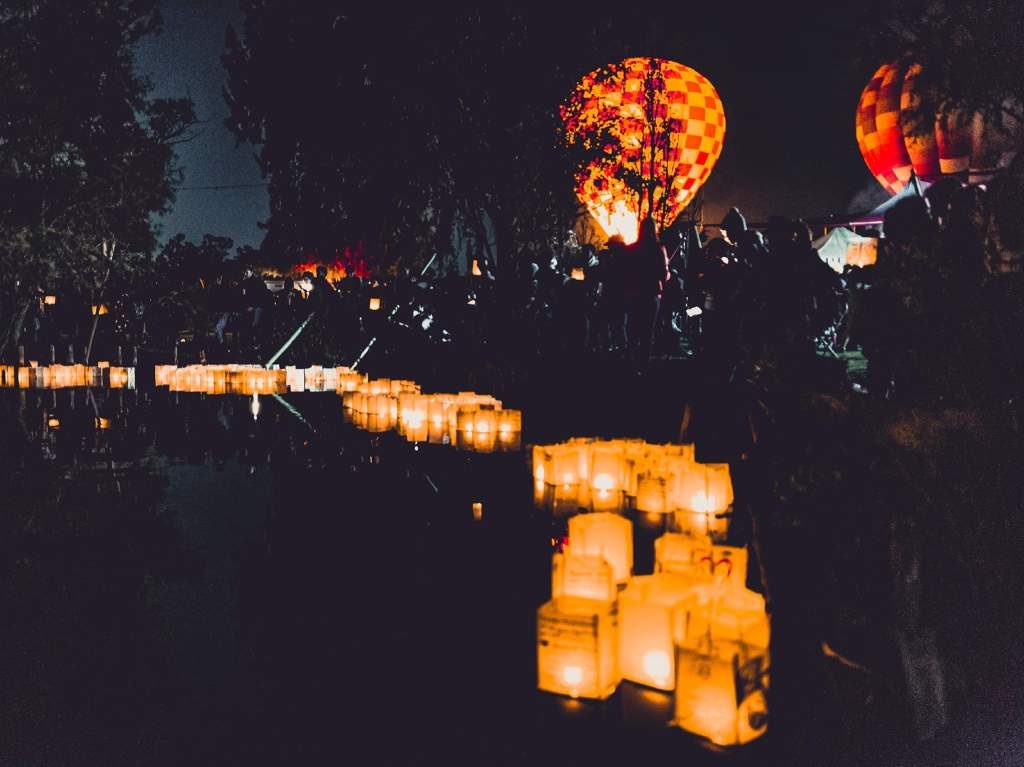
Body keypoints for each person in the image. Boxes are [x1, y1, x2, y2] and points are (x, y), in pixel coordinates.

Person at [623, 216, 670, 372]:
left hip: (633, 294)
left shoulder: (630, 249)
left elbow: (625, 273)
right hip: (650, 295)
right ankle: (643, 365)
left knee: (632, 330)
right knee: (647, 332)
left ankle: (631, 362)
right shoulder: (658, 249)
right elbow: (663, 275)